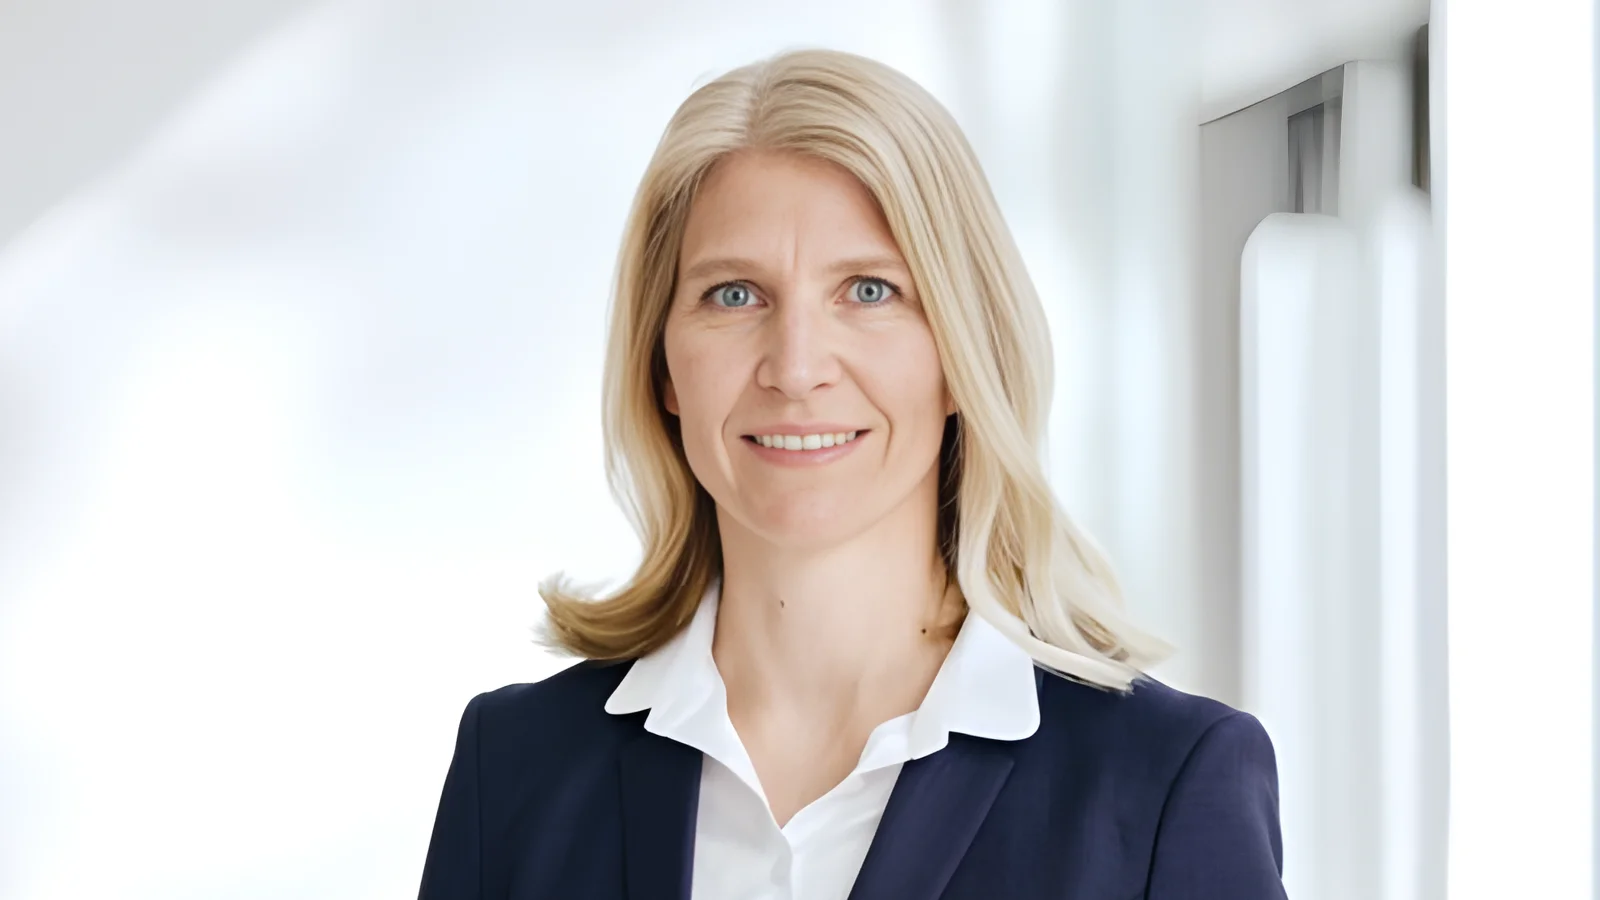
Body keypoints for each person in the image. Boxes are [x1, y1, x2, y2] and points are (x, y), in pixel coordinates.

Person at [417, 48, 1287, 900]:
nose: (796, 369)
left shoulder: (1162, 785)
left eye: (869, 291)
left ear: (962, 353)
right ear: (663, 366)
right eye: (734, 294)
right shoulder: (515, 769)